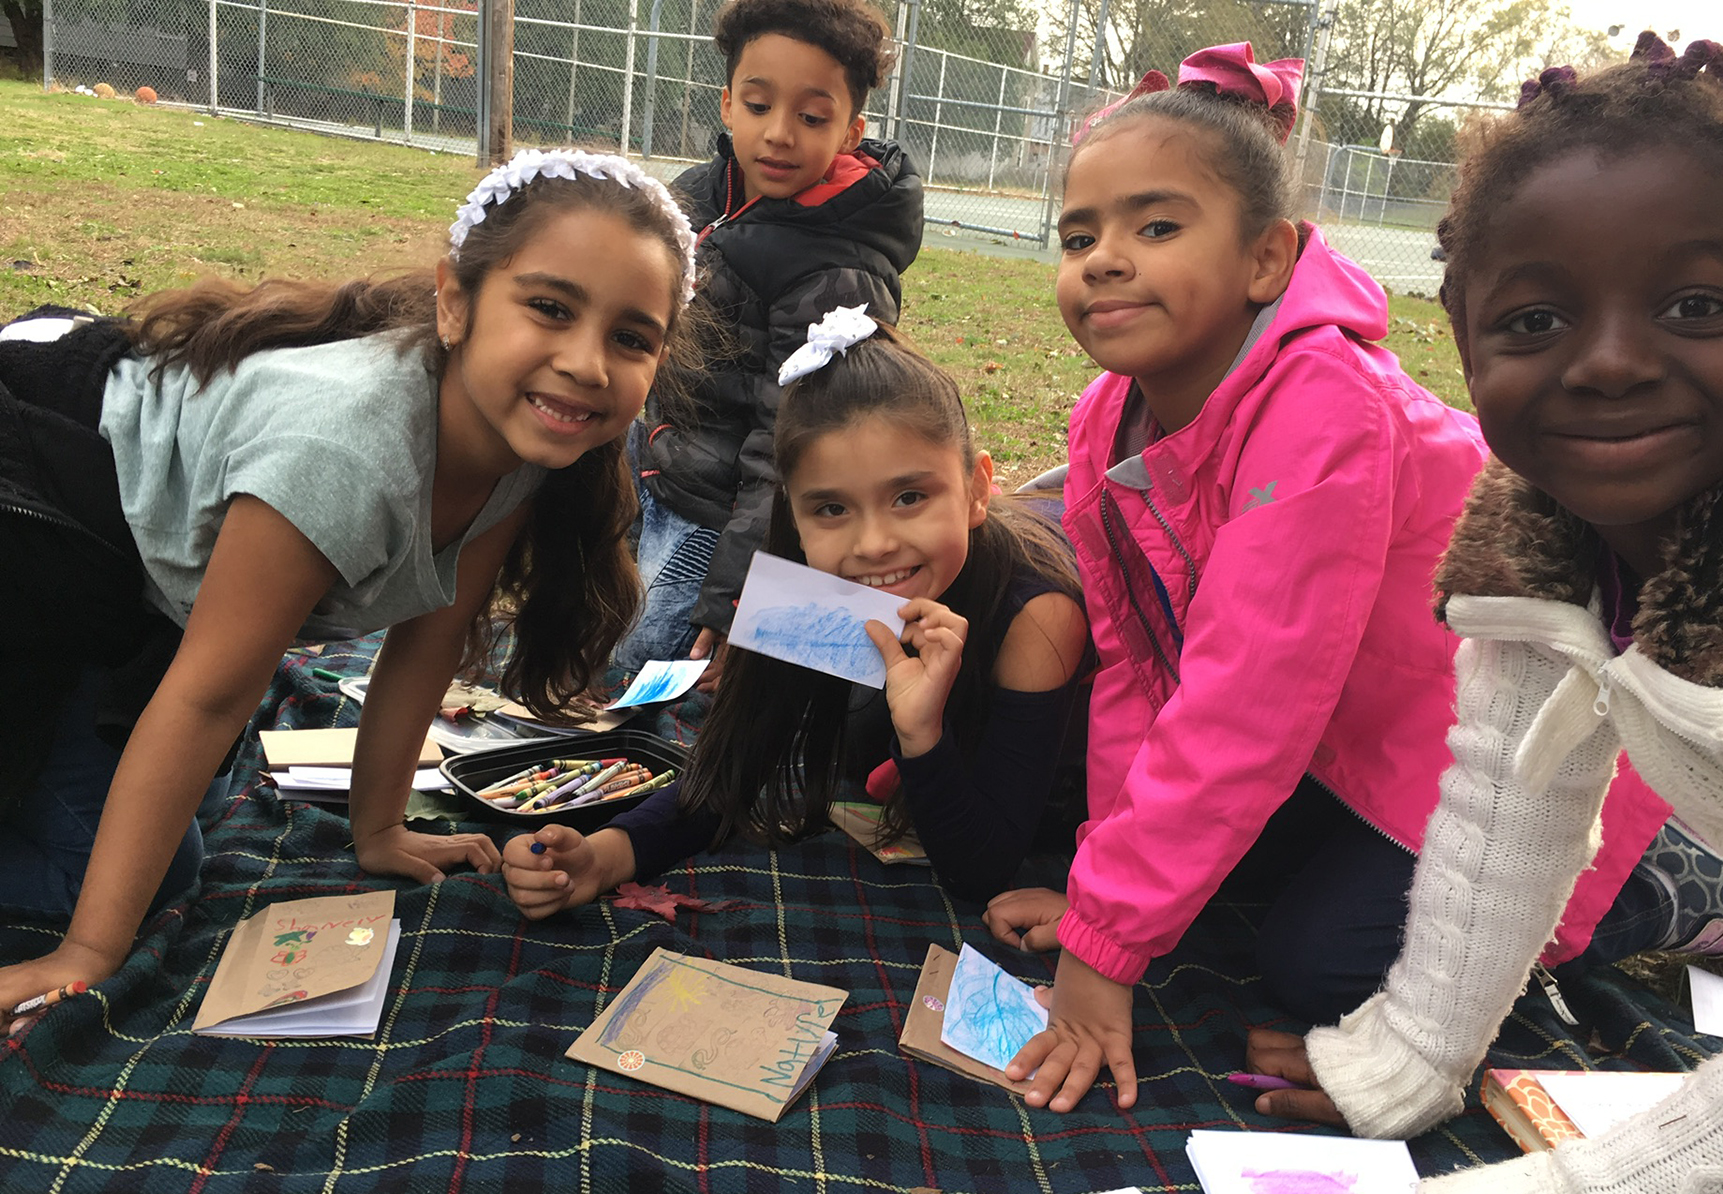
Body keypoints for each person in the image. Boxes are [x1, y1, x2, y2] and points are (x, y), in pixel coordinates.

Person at [1247, 36, 1723, 1194]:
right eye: (1539, 318)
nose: (1609, 360)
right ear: (1462, 334)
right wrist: (1410, 1053)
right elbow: (1508, 797)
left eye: (1695, 306)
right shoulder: (1539, 530)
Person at [0, 148, 700, 1019]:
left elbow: (432, 633)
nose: (589, 363)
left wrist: (379, 828)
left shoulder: (520, 441)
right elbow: (209, 699)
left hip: (127, 590)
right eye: (550, 308)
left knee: (195, 796)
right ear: (456, 302)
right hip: (36, 524)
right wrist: (91, 951)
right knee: (130, 873)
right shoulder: (344, 456)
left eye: (631, 337)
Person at [979, 40, 1538, 1114]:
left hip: (1500, 743)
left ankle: (1644, 892)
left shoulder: (1326, 404)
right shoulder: (1108, 419)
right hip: (1352, 729)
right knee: (1202, 884)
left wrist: (1100, 960)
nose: (1102, 258)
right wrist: (1101, 892)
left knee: (1319, 968)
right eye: (1078, 234)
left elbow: (1244, 702)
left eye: (1155, 226)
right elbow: (1139, 667)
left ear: (1267, 260)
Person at [504, 313, 1087, 914]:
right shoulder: (809, 581)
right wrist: (604, 854)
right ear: (796, 518)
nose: (874, 544)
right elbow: (737, 761)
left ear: (976, 491)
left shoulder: (1040, 618)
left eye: (909, 497)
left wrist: (922, 737)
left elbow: (983, 870)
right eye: (832, 509)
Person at [619, 0, 924, 681]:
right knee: (572, 627)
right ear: (728, 105)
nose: (779, 134)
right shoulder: (696, 198)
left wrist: (739, 596)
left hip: (726, 518)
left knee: (640, 670)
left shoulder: (838, 272)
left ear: (851, 132)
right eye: (759, 105)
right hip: (654, 469)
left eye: (813, 118)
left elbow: (793, 451)